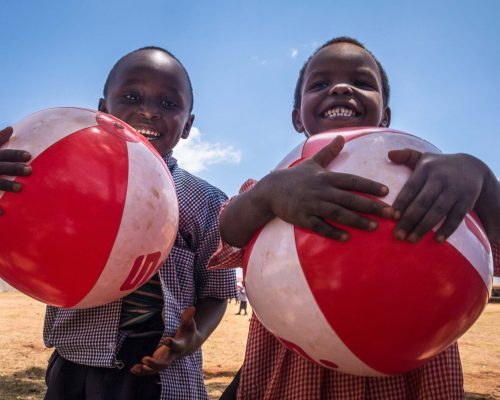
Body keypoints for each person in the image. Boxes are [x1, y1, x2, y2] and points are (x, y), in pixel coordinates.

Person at [212, 37, 500, 399]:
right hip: (292, 382)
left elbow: (491, 253)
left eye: (362, 83)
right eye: (320, 84)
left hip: (410, 378)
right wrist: (268, 194)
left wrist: (484, 181)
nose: (341, 88)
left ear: (386, 115)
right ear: (296, 117)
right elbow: (227, 235)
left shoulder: (428, 181)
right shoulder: (275, 185)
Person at [0, 46, 237, 400]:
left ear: (188, 125)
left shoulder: (206, 201)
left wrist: (194, 337)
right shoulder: (67, 180)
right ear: (102, 109)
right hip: (74, 367)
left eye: (169, 104)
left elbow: (216, 293)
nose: (148, 111)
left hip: (167, 378)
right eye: (131, 96)